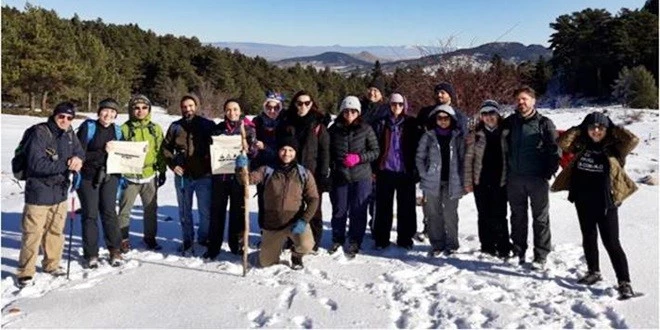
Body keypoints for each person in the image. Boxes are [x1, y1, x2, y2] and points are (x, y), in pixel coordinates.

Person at [551, 112, 638, 299]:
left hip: (607, 202)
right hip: (583, 199)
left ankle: (624, 282)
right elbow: (563, 142)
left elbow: (633, 140)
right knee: (588, 237)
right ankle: (593, 272)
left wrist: (613, 127)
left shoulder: (615, 148)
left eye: (601, 127)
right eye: (592, 127)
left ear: (607, 130)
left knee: (612, 242)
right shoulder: (580, 145)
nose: (596, 130)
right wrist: (580, 128)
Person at [16, 102, 85, 287]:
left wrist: (78, 159)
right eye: (61, 116)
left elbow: (79, 152)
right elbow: (36, 164)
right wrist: (65, 164)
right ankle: (25, 272)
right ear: (54, 116)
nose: (65, 120)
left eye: (69, 118)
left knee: (55, 231)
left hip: (60, 191)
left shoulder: (70, 133)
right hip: (38, 190)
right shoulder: (40, 132)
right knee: (33, 233)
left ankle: (52, 264)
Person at [236, 137, 319, 269]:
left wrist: (304, 220)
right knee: (266, 263)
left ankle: (296, 256)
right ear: (278, 151)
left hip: (295, 222)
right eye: (283, 149)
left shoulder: (304, 173)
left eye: (291, 150)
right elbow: (246, 181)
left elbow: (314, 199)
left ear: (295, 152)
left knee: (307, 245)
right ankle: (269, 250)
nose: (287, 153)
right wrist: (241, 168)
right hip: (273, 223)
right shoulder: (267, 170)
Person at [503, 86, 561, 270]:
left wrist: (548, 171)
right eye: (518, 99)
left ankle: (541, 255)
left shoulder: (544, 123)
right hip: (515, 179)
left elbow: (555, 149)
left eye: (525, 99)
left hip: (537, 179)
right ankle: (518, 251)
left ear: (533, 101)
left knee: (540, 218)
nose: (521, 103)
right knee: (517, 216)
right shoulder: (510, 122)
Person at [276, 90, 330, 252]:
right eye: (299, 103)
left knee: (314, 207)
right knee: (292, 206)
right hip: (291, 171)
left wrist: (322, 174)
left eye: (307, 103)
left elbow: (325, 150)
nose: (303, 106)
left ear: (312, 104)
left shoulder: (318, 125)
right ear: (294, 104)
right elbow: (280, 145)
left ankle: (314, 240)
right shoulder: (287, 121)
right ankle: (291, 239)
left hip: (312, 172)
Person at [204, 99, 257, 258]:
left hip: (239, 178)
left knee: (238, 212)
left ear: (240, 110)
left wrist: (249, 151)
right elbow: (210, 151)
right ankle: (213, 246)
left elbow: (254, 153)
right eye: (228, 109)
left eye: (235, 109)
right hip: (220, 177)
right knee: (217, 213)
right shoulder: (217, 129)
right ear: (224, 111)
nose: (232, 112)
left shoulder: (247, 130)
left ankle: (236, 245)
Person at [162, 93, 215, 253]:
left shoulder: (207, 124)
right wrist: (172, 165)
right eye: (184, 107)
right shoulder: (175, 126)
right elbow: (165, 148)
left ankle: (203, 237)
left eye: (191, 106)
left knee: (205, 211)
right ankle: (187, 239)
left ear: (196, 107)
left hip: (203, 175)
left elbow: (219, 143)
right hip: (183, 175)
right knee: (185, 211)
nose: (188, 109)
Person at [328, 96, 380, 258]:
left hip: (361, 177)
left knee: (358, 210)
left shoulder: (366, 129)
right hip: (340, 176)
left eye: (353, 111)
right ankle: (338, 238)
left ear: (358, 112)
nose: (349, 113)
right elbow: (327, 151)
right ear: (342, 111)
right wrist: (334, 165)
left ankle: (355, 239)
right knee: (339, 210)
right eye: (346, 110)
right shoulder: (334, 129)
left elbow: (375, 151)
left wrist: (359, 158)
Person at [415, 81, 468, 241]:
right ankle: (428, 228)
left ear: (450, 95)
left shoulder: (459, 115)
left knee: (450, 208)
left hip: (451, 169)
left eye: (443, 92)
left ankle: (450, 237)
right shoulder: (426, 112)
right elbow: (418, 138)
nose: (439, 95)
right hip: (432, 167)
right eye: (437, 93)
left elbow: (462, 141)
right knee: (430, 205)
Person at [75, 98, 124, 268]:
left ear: (116, 115)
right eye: (105, 110)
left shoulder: (117, 131)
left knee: (109, 212)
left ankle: (115, 249)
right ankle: (91, 254)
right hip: (88, 177)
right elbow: (78, 154)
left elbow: (123, 155)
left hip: (110, 176)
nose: (108, 114)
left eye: (112, 112)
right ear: (99, 112)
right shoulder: (88, 128)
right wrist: (102, 151)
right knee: (90, 214)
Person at [117, 94, 167, 252]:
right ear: (131, 110)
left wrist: (163, 170)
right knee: (125, 210)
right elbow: (117, 152)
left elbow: (160, 151)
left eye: (144, 108)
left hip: (149, 175)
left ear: (149, 110)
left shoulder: (155, 129)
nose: (140, 111)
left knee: (151, 210)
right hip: (129, 177)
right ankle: (123, 239)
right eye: (136, 108)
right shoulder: (124, 129)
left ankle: (150, 237)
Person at [372, 93, 420, 250]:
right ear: (389, 105)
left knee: (406, 207)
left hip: (405, 171)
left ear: (404, 105)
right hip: (385, 170)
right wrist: (374, 168)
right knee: (383, 207)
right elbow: (375, 146)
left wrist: (416, 169)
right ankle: (381, 239)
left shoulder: (412, 123)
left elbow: (419, 147)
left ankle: (405, 238)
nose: (397, 107)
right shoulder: (382, 123)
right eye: (394, 104)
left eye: (400, 104)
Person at [464, 100, 511, 259]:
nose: (489, 117)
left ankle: (503, 246)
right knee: (483, 214)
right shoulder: (476, 135)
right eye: (484, 114)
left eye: (492, 113)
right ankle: (487, 246)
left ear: (498, 114)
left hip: (501, 181)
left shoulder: (506, 133)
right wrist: (468, 182)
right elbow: (468, 159)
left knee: (500, 215)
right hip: (481, 181)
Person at [359, 77, 389, 231]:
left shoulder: (385, 110)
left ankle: (375, 224)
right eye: (370, 89)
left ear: (381, 94)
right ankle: (359, 224)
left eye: (376, 91)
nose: (372, 93)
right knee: (361, 194)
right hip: (359, 156)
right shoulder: (359, 107)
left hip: (378, 156)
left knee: (376, 195)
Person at [253, 91, 285, 231]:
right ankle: (264, 231)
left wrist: (265, 147)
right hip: (261, 167)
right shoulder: (257, 122)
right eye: (268, 107)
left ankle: (279, 232)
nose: (272, 111)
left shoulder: (284, 123)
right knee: (263, 201)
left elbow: (285, 148)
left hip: (279, 168)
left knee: (279, 202)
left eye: (276, 107)